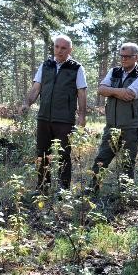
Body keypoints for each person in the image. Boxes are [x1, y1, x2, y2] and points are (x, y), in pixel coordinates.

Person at [20, 34, 87, 191]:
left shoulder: (76, 68)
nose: (59, 51)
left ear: (70, 49)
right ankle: (42, 187)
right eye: (57, 47)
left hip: (64, 120)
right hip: (44, 117)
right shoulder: (45, 65)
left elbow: (82, 92)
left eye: (63, 48)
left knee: (63, 155)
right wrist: (27, 103)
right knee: (42, 155)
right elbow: (36, 87)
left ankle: (64, 191)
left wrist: (82, 115)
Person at [90, 42, 138, 191]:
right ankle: (92, 189)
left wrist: (111, 90)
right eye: (122, 56)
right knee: (101, 159)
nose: (124, 59)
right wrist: (118, 92)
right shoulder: (114, 71)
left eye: (128, 56)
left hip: (130, 127)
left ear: (137, 57)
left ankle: (126, 194)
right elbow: (101, 90)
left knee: (127, 163)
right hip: (111, 126)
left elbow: (130, 95)